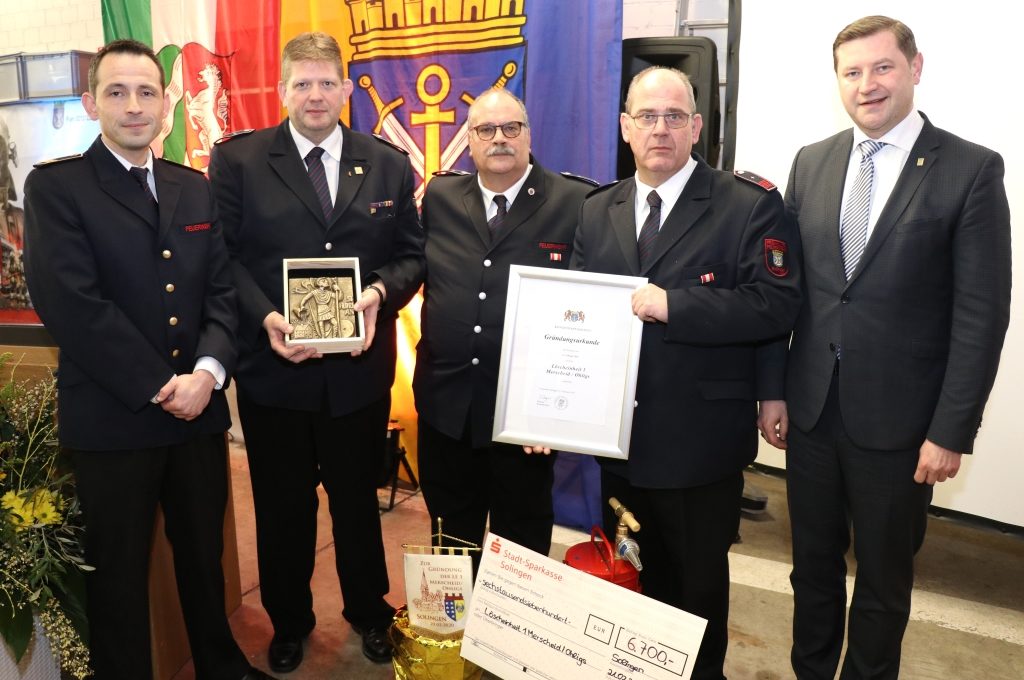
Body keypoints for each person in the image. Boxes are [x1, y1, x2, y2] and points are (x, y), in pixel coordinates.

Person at [758, 16, 1011, 680]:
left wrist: (951, 429)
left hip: (903, 427)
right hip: (811, 411)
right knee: (810, 572)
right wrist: (773, 386)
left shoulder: (970, 169)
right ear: (837, 82)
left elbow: (982, 314)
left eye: (882, 68)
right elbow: (786, 290)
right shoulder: (811, 161)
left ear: (915, 68)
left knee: (881, 585)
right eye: (851, 72)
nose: (866, 85)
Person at [22, 39, 272, 680]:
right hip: (115, 418)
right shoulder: (60, 188)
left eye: (147, 92)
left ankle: (219, 662)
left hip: (198, 414)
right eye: (116, 92)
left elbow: (221, 293)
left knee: (202, 555)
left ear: (166, 104)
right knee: (119, 567)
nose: (134, 106)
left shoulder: (194, 190)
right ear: (90, 102)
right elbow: (73, 305)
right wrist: (166, 384)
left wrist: (209, 375)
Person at [568, 66, 802, 680]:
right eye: (646, 116)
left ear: (697, 127)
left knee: (695, 597)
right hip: (618, 444)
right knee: (629, 581)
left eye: (675, 116)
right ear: (625, 127)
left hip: (700, 443)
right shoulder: (598, 211)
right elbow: (576, 321)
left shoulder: (746, 205)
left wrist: (676, 304)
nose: (661, 128)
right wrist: (554, 404)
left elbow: (776, 303)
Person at [208, 32, 424, 671]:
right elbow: (224, 259)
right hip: (276, 372)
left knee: (358, 503)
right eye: (301, 83)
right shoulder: (240, 162)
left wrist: (381, 292)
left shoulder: (386, 162)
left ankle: (368, 611)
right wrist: (267, 317)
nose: (315, 95)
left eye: (327, 82)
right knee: (282, 508)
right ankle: (290, 622)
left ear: (346, 89)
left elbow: (412, 253)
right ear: (281, 91)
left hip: (358, 375)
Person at [413, 87, 595, 564]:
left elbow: (591, 311)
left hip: (524, 420)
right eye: (486, 130)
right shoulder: (440, 196)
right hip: (446, 406)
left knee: (521, 547)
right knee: (450, 541)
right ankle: (454, 636)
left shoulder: (576, 202)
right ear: (469, 141)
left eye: (511, 128)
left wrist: (560, 409)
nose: (500, 139)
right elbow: (409, 265)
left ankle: (509, 637)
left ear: (529, 136)